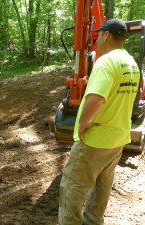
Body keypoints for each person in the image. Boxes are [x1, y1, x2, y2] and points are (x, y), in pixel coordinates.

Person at [58, 18, 140, 225]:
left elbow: (97, 98)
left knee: (72, 186)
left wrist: (82, 123)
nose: (95, 41)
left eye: (97, 36)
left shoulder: (106, 61)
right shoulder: (131, 63)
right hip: (118, 138)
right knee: (102, 188)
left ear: (106, 35)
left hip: (96, 139)